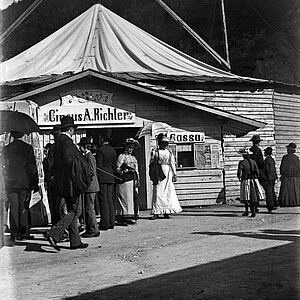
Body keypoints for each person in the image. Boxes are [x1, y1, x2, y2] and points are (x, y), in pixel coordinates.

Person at [45, 116, 89, 250]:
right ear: (70, 129)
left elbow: (52, 164)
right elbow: (69, 160)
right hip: (70, 182)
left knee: (71, 210)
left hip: (60, 182)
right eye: (73, 129)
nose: (73, 132)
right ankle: (54, 233)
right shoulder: (67, 142)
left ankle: (75, 241)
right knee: (75, 210)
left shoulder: (57, 142)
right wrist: (80, 162)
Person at [3, 131, 39, 241]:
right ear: (23, 135)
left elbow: (4, 166)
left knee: (13, 207)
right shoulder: (28, 148)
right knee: (24, 207)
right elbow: (32, 166)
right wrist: (35, 182)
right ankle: (24, 232)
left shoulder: (6, 149)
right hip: (25, 183)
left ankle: (14, 233)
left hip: (11, 183)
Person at [151, 133, 182, 219]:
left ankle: (166, 211)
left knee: (167, 191)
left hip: (167, 171)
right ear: (159, 143)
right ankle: (156, 211)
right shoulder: (155, 152)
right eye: (162, 143)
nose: (164, 145)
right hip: (158, 171)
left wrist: (174, 174)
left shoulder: (169, 152)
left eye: (165, 143)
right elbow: (151, 162)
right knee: (158, 191)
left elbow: (172, 163)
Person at [78, 137, 100, 238]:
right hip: (90, 186)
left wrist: (83, 178)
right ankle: (90, 228)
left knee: (89, 208)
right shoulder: (87, 156)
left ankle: (93, 229)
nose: (80, 148)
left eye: (81, 147)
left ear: (85, 147)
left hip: (90, 186)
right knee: (89, 208)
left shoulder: (89, 157)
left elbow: (91, 171)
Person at [115, 138, 140, 226]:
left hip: (132, 179)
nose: (130, 150)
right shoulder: (122, 156)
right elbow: (117, 168)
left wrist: (138, 179)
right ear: (125, 147)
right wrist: (123, 170)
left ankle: (131, 215)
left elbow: (137, 170)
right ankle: (122, 217)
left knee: (132, 198)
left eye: (132, 148)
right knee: (124, 198)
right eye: (129, 147)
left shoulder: (133, 157)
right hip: (125, 180)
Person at [96, 129, 117, 230]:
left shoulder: (100, 150)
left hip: (103, 177)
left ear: (103, 139)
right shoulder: (112, 150)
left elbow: (98, 166)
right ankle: (112, 222)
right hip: (111, 176)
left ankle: (105, 223)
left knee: (103, 200)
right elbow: (114, 165)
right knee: (110, 200)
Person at [237, 147, 263, 217]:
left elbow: (239, 173)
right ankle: (253, 211)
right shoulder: (253, 162)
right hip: (253, 181)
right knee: (253, 196)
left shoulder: (242, 163)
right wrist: (255, 177)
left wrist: (239, 178)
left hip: (245, 181)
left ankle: (246, 211)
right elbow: (257, 172)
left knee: (246, 196)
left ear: (243, 155)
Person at [249, 134, 264, 210]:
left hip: (250, 171)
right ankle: (256, 204)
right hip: (258, 171)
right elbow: (260, 161)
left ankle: (253, 205)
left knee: (252, 188)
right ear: (258, 142)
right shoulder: (258, 150)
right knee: (258, 187)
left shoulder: (250, 150)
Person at [261, 147, 278, 212]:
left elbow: (267, 169)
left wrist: (265, 176)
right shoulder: (272, 159)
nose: (264, 153)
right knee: (272, 190)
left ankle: (270, 205)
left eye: (265, 152)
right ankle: (275, 203)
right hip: (273, 177)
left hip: (269, 177)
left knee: (269, 191)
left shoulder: (267, 160)